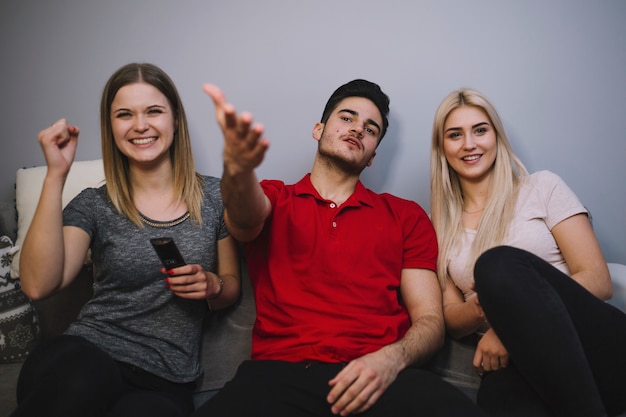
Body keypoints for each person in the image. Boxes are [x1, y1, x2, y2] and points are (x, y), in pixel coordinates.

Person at [193, 79, 488, 417]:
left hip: (380, 377)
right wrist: (238, 168)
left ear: (373, 156)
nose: (357, 129)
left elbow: (431, 320)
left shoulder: (405, 215)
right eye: (346, 118)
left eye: (370, 128)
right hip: (280, 376)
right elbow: (244, 215)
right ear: (319, 129)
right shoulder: (275, 197)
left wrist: (390, 360)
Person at [12, 63, 241, 417]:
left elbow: (231, 288)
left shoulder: (214, 197)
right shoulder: (94, 203)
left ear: (175, 119)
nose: (140, 125)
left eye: (153, 111)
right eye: (124, 115)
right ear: (111, 127)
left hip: (166, 377)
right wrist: (56, 175)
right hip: (85, 355)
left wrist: (212, 285)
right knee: (78, 385)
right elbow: (39, 286)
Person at [429, 87, 626, 417]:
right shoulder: (438, 225)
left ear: (497, 136)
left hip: (594, 344)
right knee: (496, 401)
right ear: (442, 148)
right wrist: (484, 308)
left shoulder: (542, 187)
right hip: (518, 367)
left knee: (497, 263)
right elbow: (450, 317)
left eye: (480, 130)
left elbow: (598, 280)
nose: (469, 144)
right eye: (455, 135)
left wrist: (510, 325)